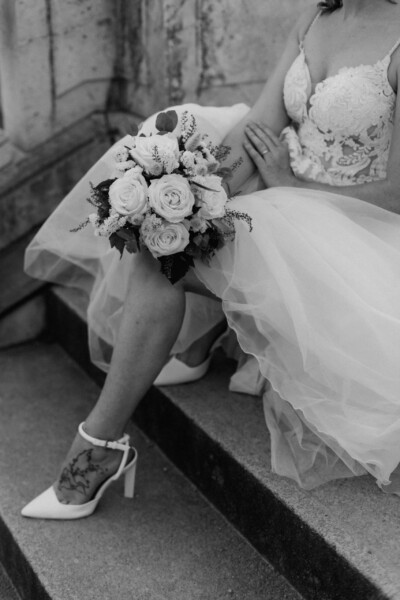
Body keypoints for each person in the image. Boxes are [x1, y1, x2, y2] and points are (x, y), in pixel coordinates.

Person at [22, 0, 400, 519]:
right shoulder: (316, 16)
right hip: (278, 193)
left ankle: (98, 446)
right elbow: (259, 126)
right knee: (166, 236)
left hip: (350, 226)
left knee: (165, 265)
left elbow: (397, 194)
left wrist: (290, 187)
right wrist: (196, 197)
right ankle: (185, 354)